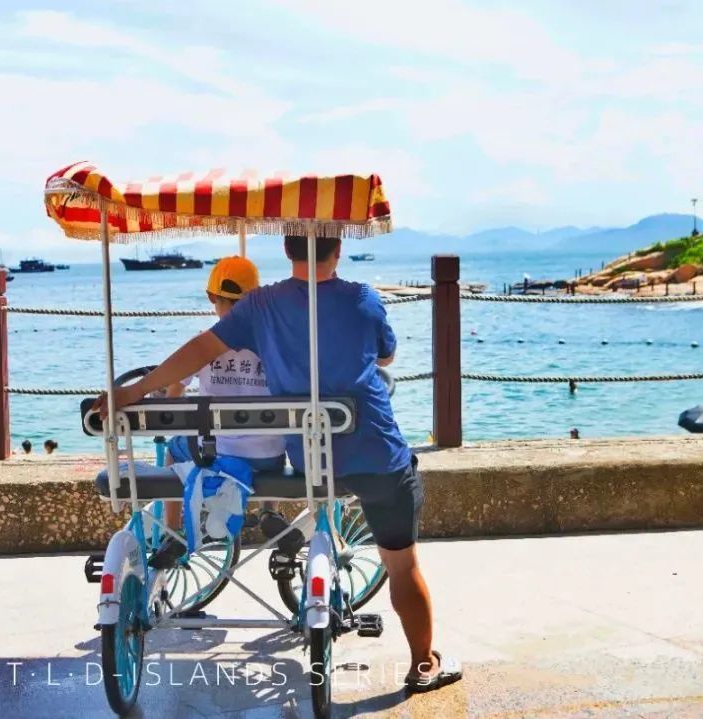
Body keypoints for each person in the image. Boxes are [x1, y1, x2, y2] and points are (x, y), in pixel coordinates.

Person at [95, 234, 460, 693]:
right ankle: (423, 663)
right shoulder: (363, 299)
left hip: (312, 460)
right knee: (403, 566)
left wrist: (134, 391)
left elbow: (198, 350)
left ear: (287, 251)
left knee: (320, 484)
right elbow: (386, 354)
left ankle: (291, 542)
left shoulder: (260, 305)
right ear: (338, 250)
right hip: (378, 457)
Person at [150, 256, 287, 568]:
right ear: (255, 300)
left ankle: (173, 530)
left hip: (215, 455)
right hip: (267, 460)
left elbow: (173, 397)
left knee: (173, 450)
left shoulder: (203, 345)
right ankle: (269, 511)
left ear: (212, 298)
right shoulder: (273, 345)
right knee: (272, 441)